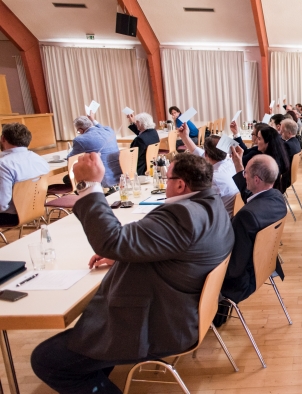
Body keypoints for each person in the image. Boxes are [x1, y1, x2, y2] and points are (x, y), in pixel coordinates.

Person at [31, 152, 234, 394]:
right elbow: (174, 251)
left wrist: (89, 186)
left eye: (166, 177)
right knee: (83, 349)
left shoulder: (183, 215)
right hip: (182, 312)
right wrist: (126, 253)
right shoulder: (211, 206)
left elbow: (111, 240)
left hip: (160, 325)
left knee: (46, 360)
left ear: (180, 184)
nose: (164, 182)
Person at [222, 151, 287, 306]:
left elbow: (234, 268)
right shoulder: (277, 198)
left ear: (257, 180)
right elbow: (251, 198)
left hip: (244, 281)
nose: (244, 176)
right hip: (265, 266)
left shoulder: (246, 217)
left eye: (246, 173)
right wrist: (239, 165)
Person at [177, 124, 239, 213]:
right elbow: (198, 152)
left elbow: (198, 207)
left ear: (206, 154)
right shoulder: (231, 162)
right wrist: (185, 137)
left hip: (220, 220)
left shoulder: (214, 179)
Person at [0, 123, 49, 226]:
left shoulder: (3, 165)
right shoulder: (39, 159)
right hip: (37, 208)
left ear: (3, 138)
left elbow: (2, 204)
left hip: (13, 215)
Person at [68, 113, 122, 188]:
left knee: (68, 178)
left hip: (101, 177)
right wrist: (93, 119)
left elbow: (70, 159)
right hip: (119, 174)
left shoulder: (80, 140)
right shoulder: (109, 131)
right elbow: (101, 127)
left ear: (80, 130)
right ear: (91, 123)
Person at [254, 125, 290, 191]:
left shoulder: (268, 164)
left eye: (259, 139)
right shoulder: (279, 155)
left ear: (267, 143)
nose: (256, 142)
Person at [280, 119, 301, 191]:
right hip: (291, 177)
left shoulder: (287, 145)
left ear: (289, 133)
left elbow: (281, 164)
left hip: (285, 181)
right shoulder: (296, 141)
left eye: (282, 131)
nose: (280, 133)